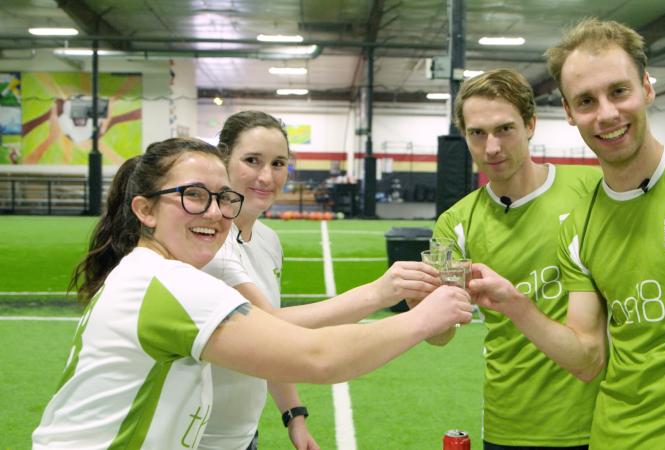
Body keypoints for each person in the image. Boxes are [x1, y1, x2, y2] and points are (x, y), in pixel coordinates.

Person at [32, 137, 472, 449]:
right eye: (193, 196)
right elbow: (316, 355)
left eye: (223, 198)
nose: (214, 212)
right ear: (145, 210)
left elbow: (278, 340)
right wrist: (423, 316)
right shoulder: (171, 283)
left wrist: (292, 412)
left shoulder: (152, 273)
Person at [469, 18, 665, 450]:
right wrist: (514, 303)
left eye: (619, 91)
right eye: (586, 101)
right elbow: (587, 358)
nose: (607, 114)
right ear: (570, 113)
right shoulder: (580, 224)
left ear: (646, 88)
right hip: (611, 438)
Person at [201, 110, 443, 450]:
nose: (266, 176)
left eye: (278, 163)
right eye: (252, 160)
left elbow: (267, 350)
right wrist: (379, 294)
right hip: (194, 440)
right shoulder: (210, 243)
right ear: (223, 158)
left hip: (242, 437)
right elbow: (271, 328)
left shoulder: (268, 240)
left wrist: (294, 417)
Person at [429, 68, 602, 449]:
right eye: (477, 133)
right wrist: (423, 309)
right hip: (509, 424)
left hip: (601, 421)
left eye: (504, 129)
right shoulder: (453, 224)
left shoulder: (592, 191)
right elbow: (441, 334)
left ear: (530, 125)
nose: (491, 147)